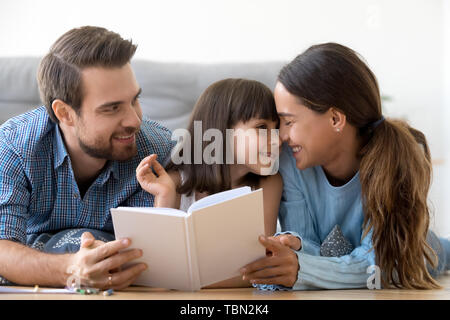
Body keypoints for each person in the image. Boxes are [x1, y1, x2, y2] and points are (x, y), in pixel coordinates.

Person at [240, 42, 450, 290]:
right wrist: (295, 248)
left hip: (417, 254)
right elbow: (307, 245)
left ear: (335, 119)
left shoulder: (390, 162)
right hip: (336, 259)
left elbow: (375, 267)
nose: (281, 136)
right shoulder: (290, 161)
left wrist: (302, 268)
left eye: (288, 121)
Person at [0, 26, 174, 290]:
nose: (134, 120)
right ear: (65, 113)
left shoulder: (158, 148)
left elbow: (161, 257)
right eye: (112, 108)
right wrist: (71, 269)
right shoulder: (13, 147)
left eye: (134, 100)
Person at [136, 78, 283, 287]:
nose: (277, 140)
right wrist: (165, 196)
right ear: (223, 131)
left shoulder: (269, 183)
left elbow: (259, 265)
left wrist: (186, 279)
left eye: (276, 128)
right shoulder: (177, 182)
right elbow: (157, 264)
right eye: (262, 127)